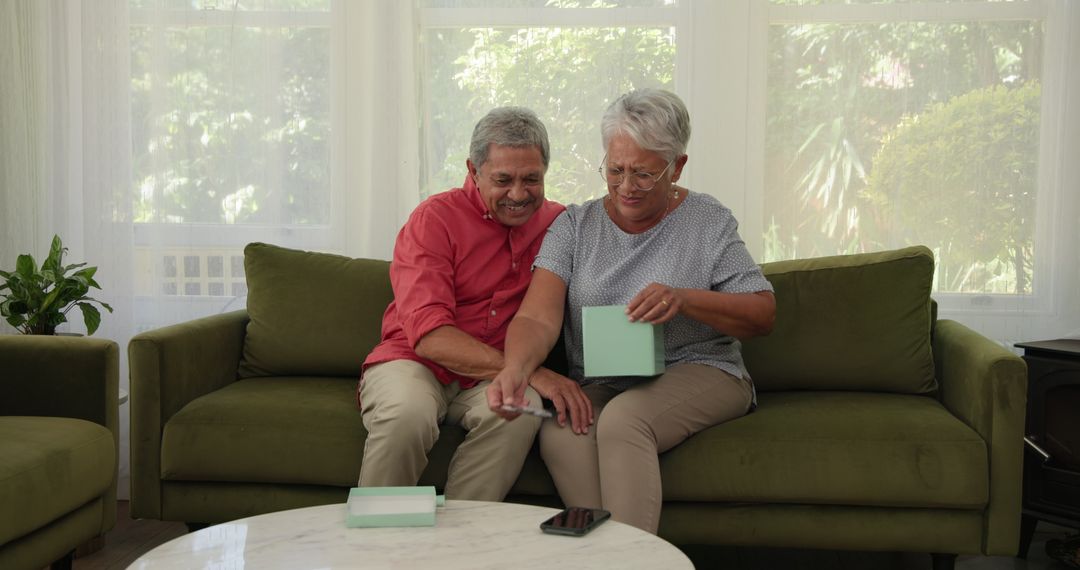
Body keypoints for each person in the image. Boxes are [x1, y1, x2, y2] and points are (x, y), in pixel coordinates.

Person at [487, 88, 776, 533]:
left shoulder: (707, 220)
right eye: (615, 170)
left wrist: (685, 298)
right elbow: (535, 317)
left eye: (643, 174)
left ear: (677, 165)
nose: (626, 187)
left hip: (702, 369)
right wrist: (515, 369)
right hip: (605, 380)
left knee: (623, 422)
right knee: (562, 431)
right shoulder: (575, 225)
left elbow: (762, 314)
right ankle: (610, 557)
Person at [358, 106, 581, 501]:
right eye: (503, 180)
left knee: (520, 411)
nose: (518, 194)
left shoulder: (559, 224)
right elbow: (428, 335)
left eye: (532, 179)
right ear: (473, 170)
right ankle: (375, 550)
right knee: (407, 414)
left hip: (489, 378)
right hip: (413, 361)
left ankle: (462, 546)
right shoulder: (434, 219)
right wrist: (530, 372)